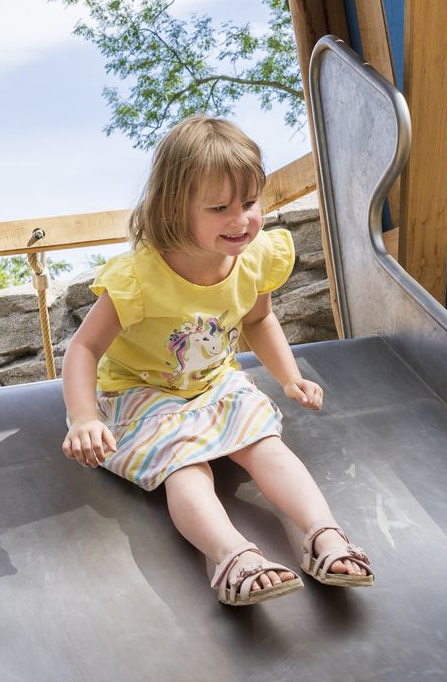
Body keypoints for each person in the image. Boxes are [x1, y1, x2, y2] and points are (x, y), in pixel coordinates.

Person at [60, 116, 375, 605]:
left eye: (249, 203)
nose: (241, 219)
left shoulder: (253, 257)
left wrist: (289, 377)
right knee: (186, 466)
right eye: (219, 208)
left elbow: (258, 320)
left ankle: (324, 535)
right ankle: (231, 557)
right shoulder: (141, 277)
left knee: (265, 444)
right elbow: (83, 348)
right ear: (173, 210)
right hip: (140, 393)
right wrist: (83, 416)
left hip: (214, 382)